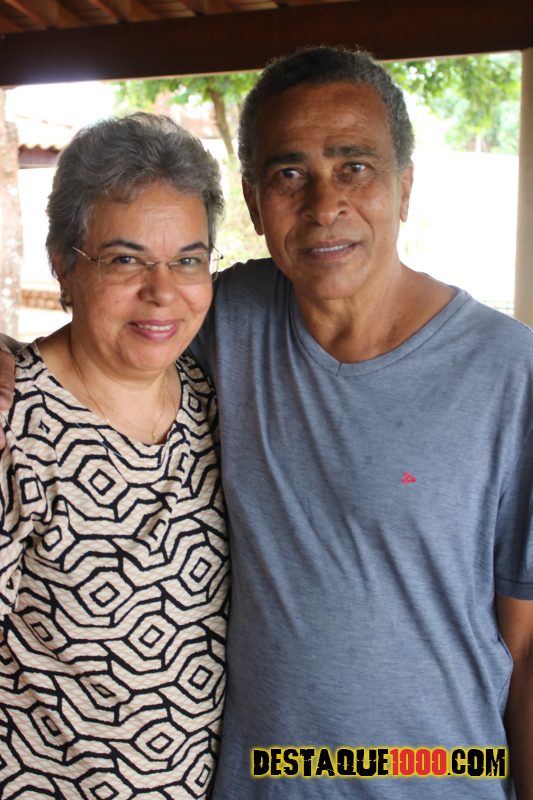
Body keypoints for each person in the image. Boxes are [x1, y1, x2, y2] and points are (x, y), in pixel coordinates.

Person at [1, 46, 532, 800]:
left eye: (355, 166)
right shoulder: (225, 321)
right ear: (254, 203)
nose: (324, 205)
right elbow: (115, 318)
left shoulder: (510, 372)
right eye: (289, 174)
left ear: (405, 186)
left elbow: (526, 646)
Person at [0, 113, 228, 798]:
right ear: (63, 263)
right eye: (126, 259)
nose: (163, 291)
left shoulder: (211, 398)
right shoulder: (14, 427)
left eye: (188, 259)